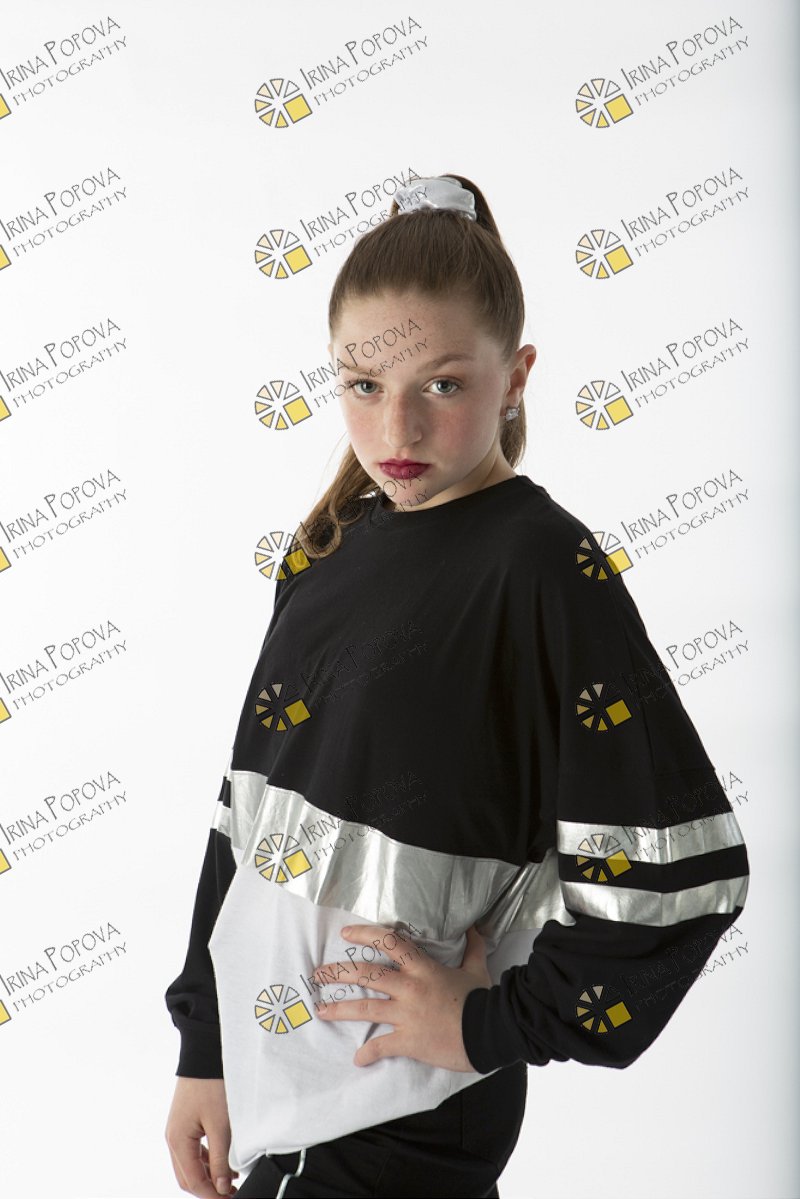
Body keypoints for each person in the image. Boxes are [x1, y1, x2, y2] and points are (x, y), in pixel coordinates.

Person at [163, 174, 750, 1199]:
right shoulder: (324, 549)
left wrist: (487, 1024)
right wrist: (205, 1049)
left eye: (441, 384)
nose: (397, 429)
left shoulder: (541, 568)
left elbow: (680, 875)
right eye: (362, 385)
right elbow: (247, 817)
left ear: (514, 376)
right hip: (279, 1101)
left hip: (405, 1114)